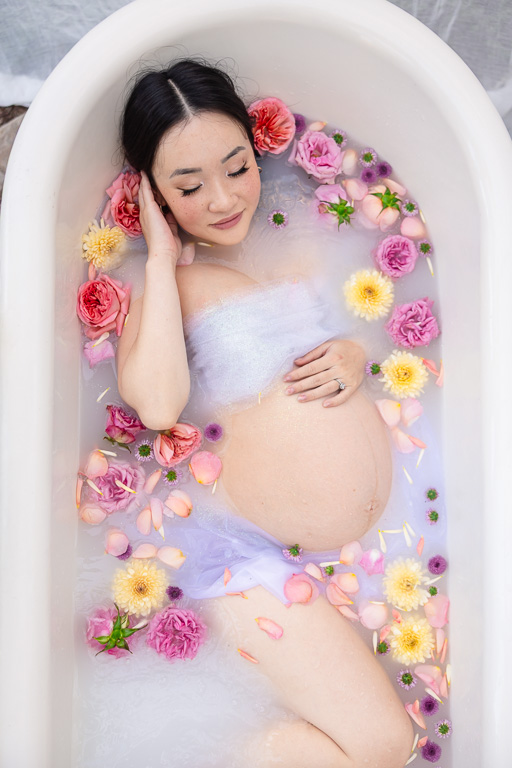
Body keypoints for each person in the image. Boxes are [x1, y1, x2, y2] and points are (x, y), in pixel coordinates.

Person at [116, 58, 413, 767]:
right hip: (245, 558)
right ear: (150, 193)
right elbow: (155, 402)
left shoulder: (294, 233)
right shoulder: (171, 288)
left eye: (236, 167)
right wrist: (159, 259)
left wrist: (355, 355)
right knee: (386, 746)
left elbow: (339, 341)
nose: (221, 199)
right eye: (187, 186)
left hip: (364, 552)